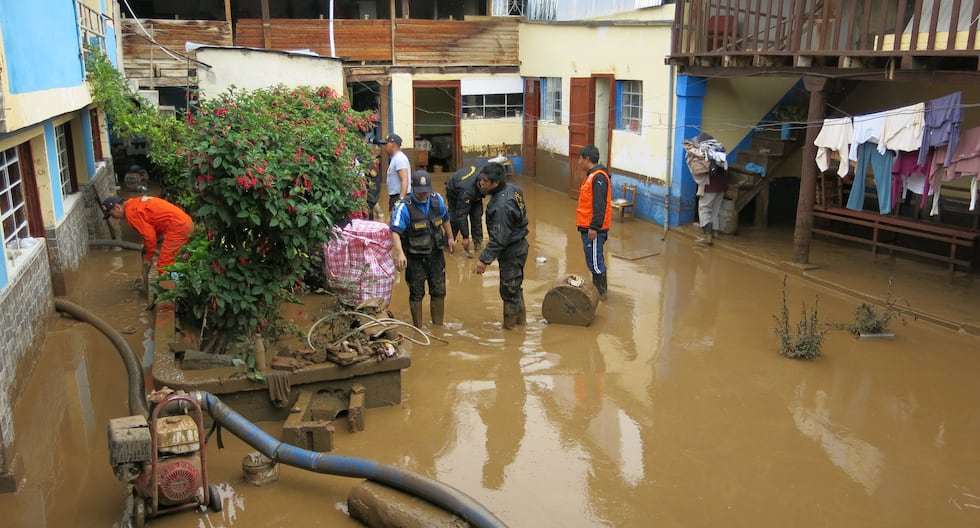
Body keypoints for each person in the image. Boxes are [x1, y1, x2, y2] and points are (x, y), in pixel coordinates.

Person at [390, 170, 456, 327]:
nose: (424, 195)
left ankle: (438, 326)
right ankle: (418, 328)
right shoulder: (404, 207)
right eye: (420, 192)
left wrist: (450, 237)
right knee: (416, 293)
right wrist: (400, 253)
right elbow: (395, 231)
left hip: (436, 254)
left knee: (439, 291)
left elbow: (445, 218)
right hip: (415, 258)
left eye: (426, 191)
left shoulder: (436, 199)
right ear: (413, 189)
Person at [473, 163, 529, 329]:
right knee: (515, 288)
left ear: (495, 183)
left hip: (511, 250)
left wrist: (484, 260)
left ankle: (511, 331)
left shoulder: (501, 206)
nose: (480, 183)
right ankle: (521, 324)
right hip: (519, 245)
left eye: (484, 181)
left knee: (509, 290)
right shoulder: (514, 189)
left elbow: (499, 238)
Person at [101, 195, 194, 276]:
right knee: (176, 260)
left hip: (178, 228)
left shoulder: (131, 213)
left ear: (117, 207)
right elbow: (154, 226)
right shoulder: (135, 203)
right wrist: (147, 247)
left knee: (164, 266)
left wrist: (148, 258)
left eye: (111, 214)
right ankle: (179, 284)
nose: (113, 218)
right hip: (185, 223)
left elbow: (149, 236)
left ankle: (171, 291)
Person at [575, 144, 611, 301]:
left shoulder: (598, 178)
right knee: (593, 261)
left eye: (580, 159)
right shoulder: (593, 176)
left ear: (587, 159)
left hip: (594, 229)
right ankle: (599, 293)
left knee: (596, 263)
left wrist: (594, 227)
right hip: (588, 227)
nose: (578, 162)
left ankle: (601, 295)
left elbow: (599, 204)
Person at [683, 132, 729, 246]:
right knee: (716, 210)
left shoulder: (704, 155)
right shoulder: (719, 153)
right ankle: (715, 234)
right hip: (722, 186)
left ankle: (707, 238)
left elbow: (700, 170)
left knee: (704, 208)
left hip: (710, 185)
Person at [445, 161, 487, 257]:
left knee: (477, 215)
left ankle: (478, 243)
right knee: (455, 219)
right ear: (478, 183)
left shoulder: (486, 171)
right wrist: (465, 236)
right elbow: (461, 214)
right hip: (454, 190)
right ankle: (447, 244)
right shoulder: (467, 191)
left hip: (473, 190)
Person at [378, 133, 411, 213]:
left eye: (386, 144)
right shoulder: (395, 158)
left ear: (393, 144)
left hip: (399, 196)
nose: (384, 146)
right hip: (395, 196)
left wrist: (400, 201)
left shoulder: (399, 159)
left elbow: (404, 180)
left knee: (396, 223)